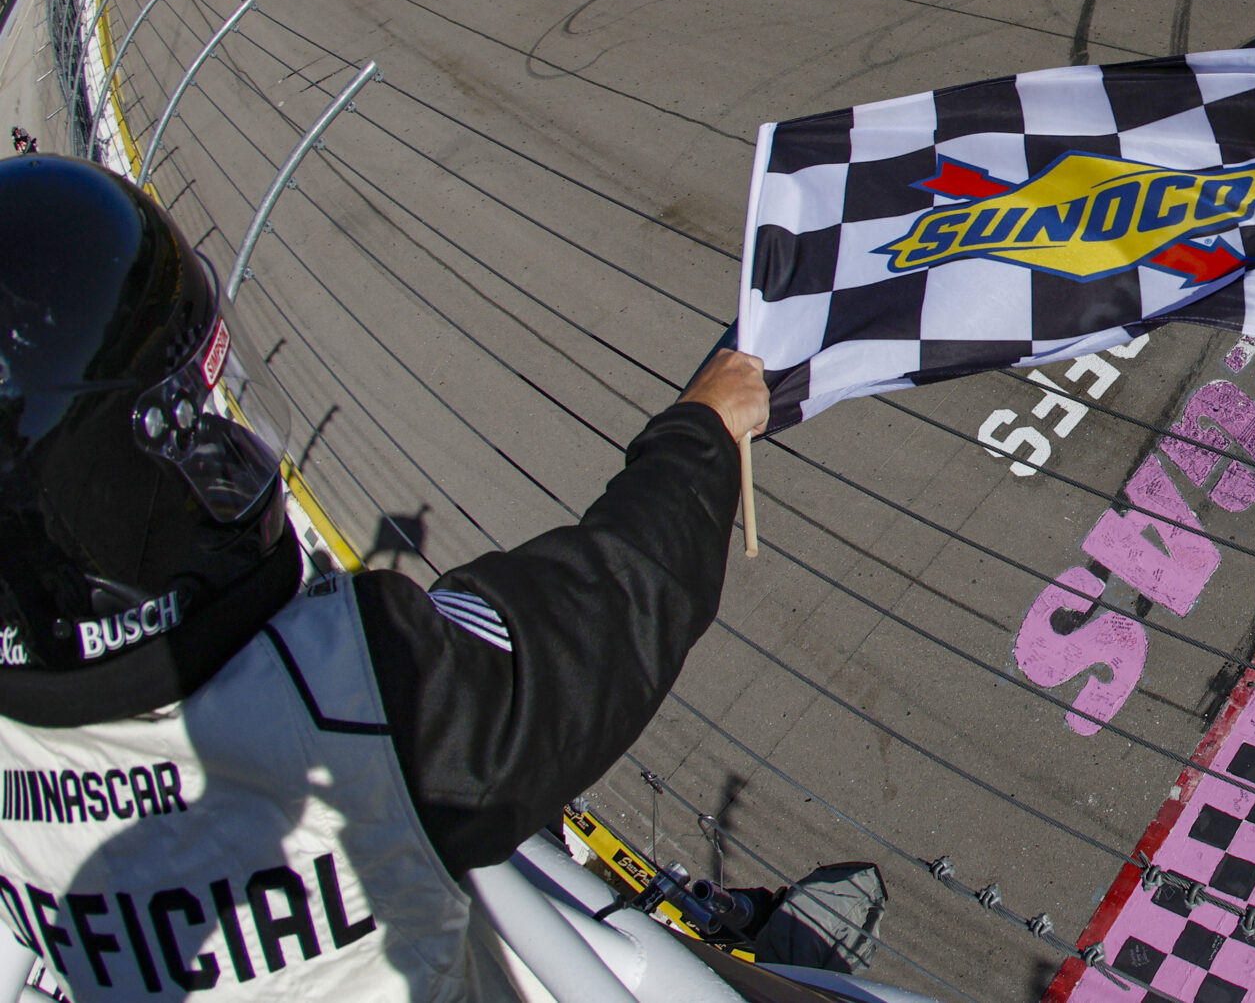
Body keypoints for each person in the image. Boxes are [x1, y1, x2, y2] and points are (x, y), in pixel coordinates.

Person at [0, 155, 767, 999]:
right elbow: (600, 618)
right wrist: (702, 428)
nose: (224, 448)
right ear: (94, 485)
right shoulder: (343, 697)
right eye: (188, 424)